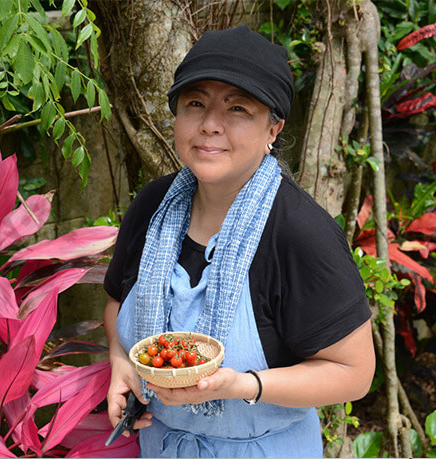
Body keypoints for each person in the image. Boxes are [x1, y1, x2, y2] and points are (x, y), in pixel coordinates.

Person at [103, 25, 375, 458]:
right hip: (161, 446)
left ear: (273, 128)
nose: (210, 124)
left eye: (237, 108)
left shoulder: (299, 232)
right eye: (195, 103)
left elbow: (354, 373)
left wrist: (243, 385)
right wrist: (121, 362)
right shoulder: (152, 207)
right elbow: (119, 301)